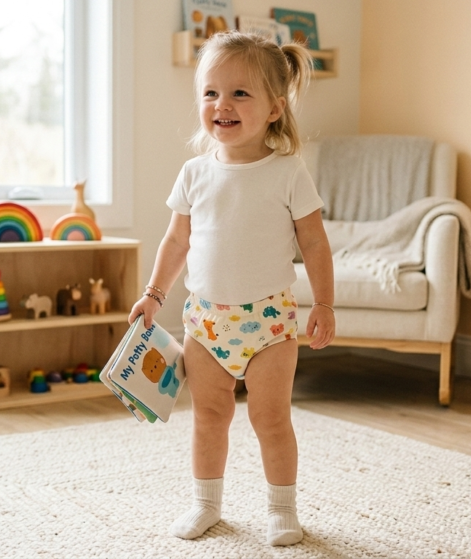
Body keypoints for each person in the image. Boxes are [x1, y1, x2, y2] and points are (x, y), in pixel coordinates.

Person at [127, 30, 335, 546]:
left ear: (273, 109)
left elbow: (315, 243)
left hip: (269, 324)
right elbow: (177, 241)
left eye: (240, 93)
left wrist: (324, 303)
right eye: (211, 92)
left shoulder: (288, 172)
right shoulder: (195, 173)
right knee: (209, 419)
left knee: (271, 419)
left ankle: (282, 509)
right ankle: (206, 505)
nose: (222, 104)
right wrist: (154, 295)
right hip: (206, 322)